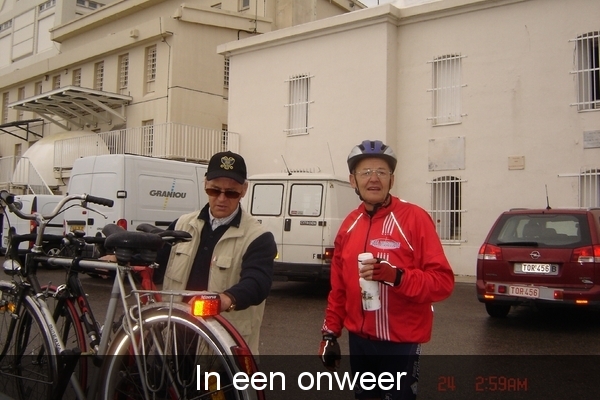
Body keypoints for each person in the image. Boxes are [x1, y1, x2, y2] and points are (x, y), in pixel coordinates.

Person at [318, 140, 455, 400]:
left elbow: (442, 282)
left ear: (392, 180)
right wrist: (330, 334)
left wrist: (397, 277)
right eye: (365, 172)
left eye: (381, 172)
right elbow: (339, 289)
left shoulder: (414, 218)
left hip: (400, 343)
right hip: (360, 341)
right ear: (353, 180)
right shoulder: (349, 225)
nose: (374, 178)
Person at [157, 150, 277, 355]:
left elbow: (258, 282)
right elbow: (155, 264)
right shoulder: (181, 225)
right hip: (175, 344)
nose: (221, 198)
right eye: (214, 190)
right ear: (205, 184)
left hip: (223, 349)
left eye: (231, 193)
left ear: (244, 190)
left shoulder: (258, 237)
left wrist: (226, 299)